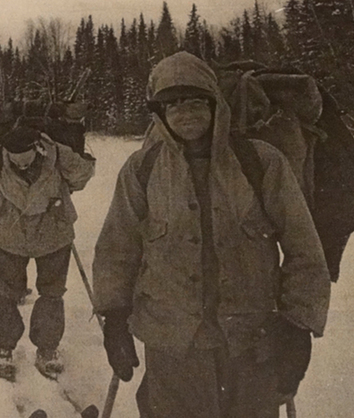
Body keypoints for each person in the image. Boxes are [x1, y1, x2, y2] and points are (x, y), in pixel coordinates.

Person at [92, 52, 331, 417]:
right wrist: (114, 320)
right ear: (161, 114)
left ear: (215, 104)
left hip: (251, 346)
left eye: (195, 101)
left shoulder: (261, 162)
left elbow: (304, 249)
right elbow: (117, 249)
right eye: (173, 104)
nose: (185, 112)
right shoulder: (142, 169)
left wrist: (297, 327)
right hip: (171, 348)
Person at [0, 125, 95, 381]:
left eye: (26, 159)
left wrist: (69, 170)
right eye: (14, 159)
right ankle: (2, 346)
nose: (21, 164)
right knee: (6, 292)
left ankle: (47, 348)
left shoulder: (57, 154)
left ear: (37, 147)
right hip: (10, 237)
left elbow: (83, 175)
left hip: (53, 235)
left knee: (52, 292)